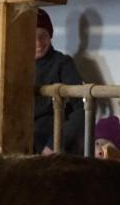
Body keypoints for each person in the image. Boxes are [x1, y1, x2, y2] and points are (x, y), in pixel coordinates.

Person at [33, 8, 85, 156]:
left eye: (44, 36)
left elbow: (81, 110)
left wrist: (54, 144)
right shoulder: (18, 66)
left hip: (52, 147)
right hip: (23, 143)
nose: (38, 42)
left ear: (50, 36)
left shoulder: (62, 63)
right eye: (32, 36)